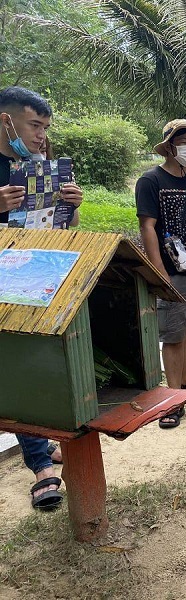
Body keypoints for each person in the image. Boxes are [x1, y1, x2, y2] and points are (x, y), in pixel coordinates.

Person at [0, 86, 83, 509]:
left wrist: (73, 204)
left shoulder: (37, 167)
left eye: (45, 127)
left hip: (35, 279)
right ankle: (42, 465)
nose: (40, 135)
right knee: (14, 368)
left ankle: (41, 446)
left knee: (33, 363)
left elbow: (60, 228)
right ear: (6, 120)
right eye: (34, 125)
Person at [135, 118, 186, 429]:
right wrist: (159, 271)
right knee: (172, 333)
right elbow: (148, 227)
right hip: (172, 272)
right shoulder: (150, 181)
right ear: (169, 145)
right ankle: (172, 396)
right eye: (185, 141)